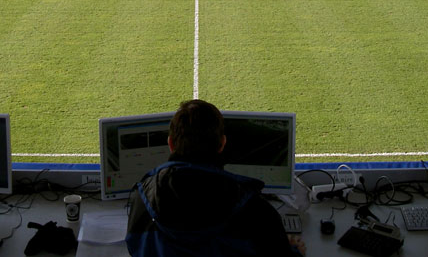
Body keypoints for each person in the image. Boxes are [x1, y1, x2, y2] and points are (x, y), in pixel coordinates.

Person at [126, 99, 304, 257]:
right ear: (222, 144)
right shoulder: (255, 209)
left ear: (171, 144)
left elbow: (135, 247)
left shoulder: (141, 199)